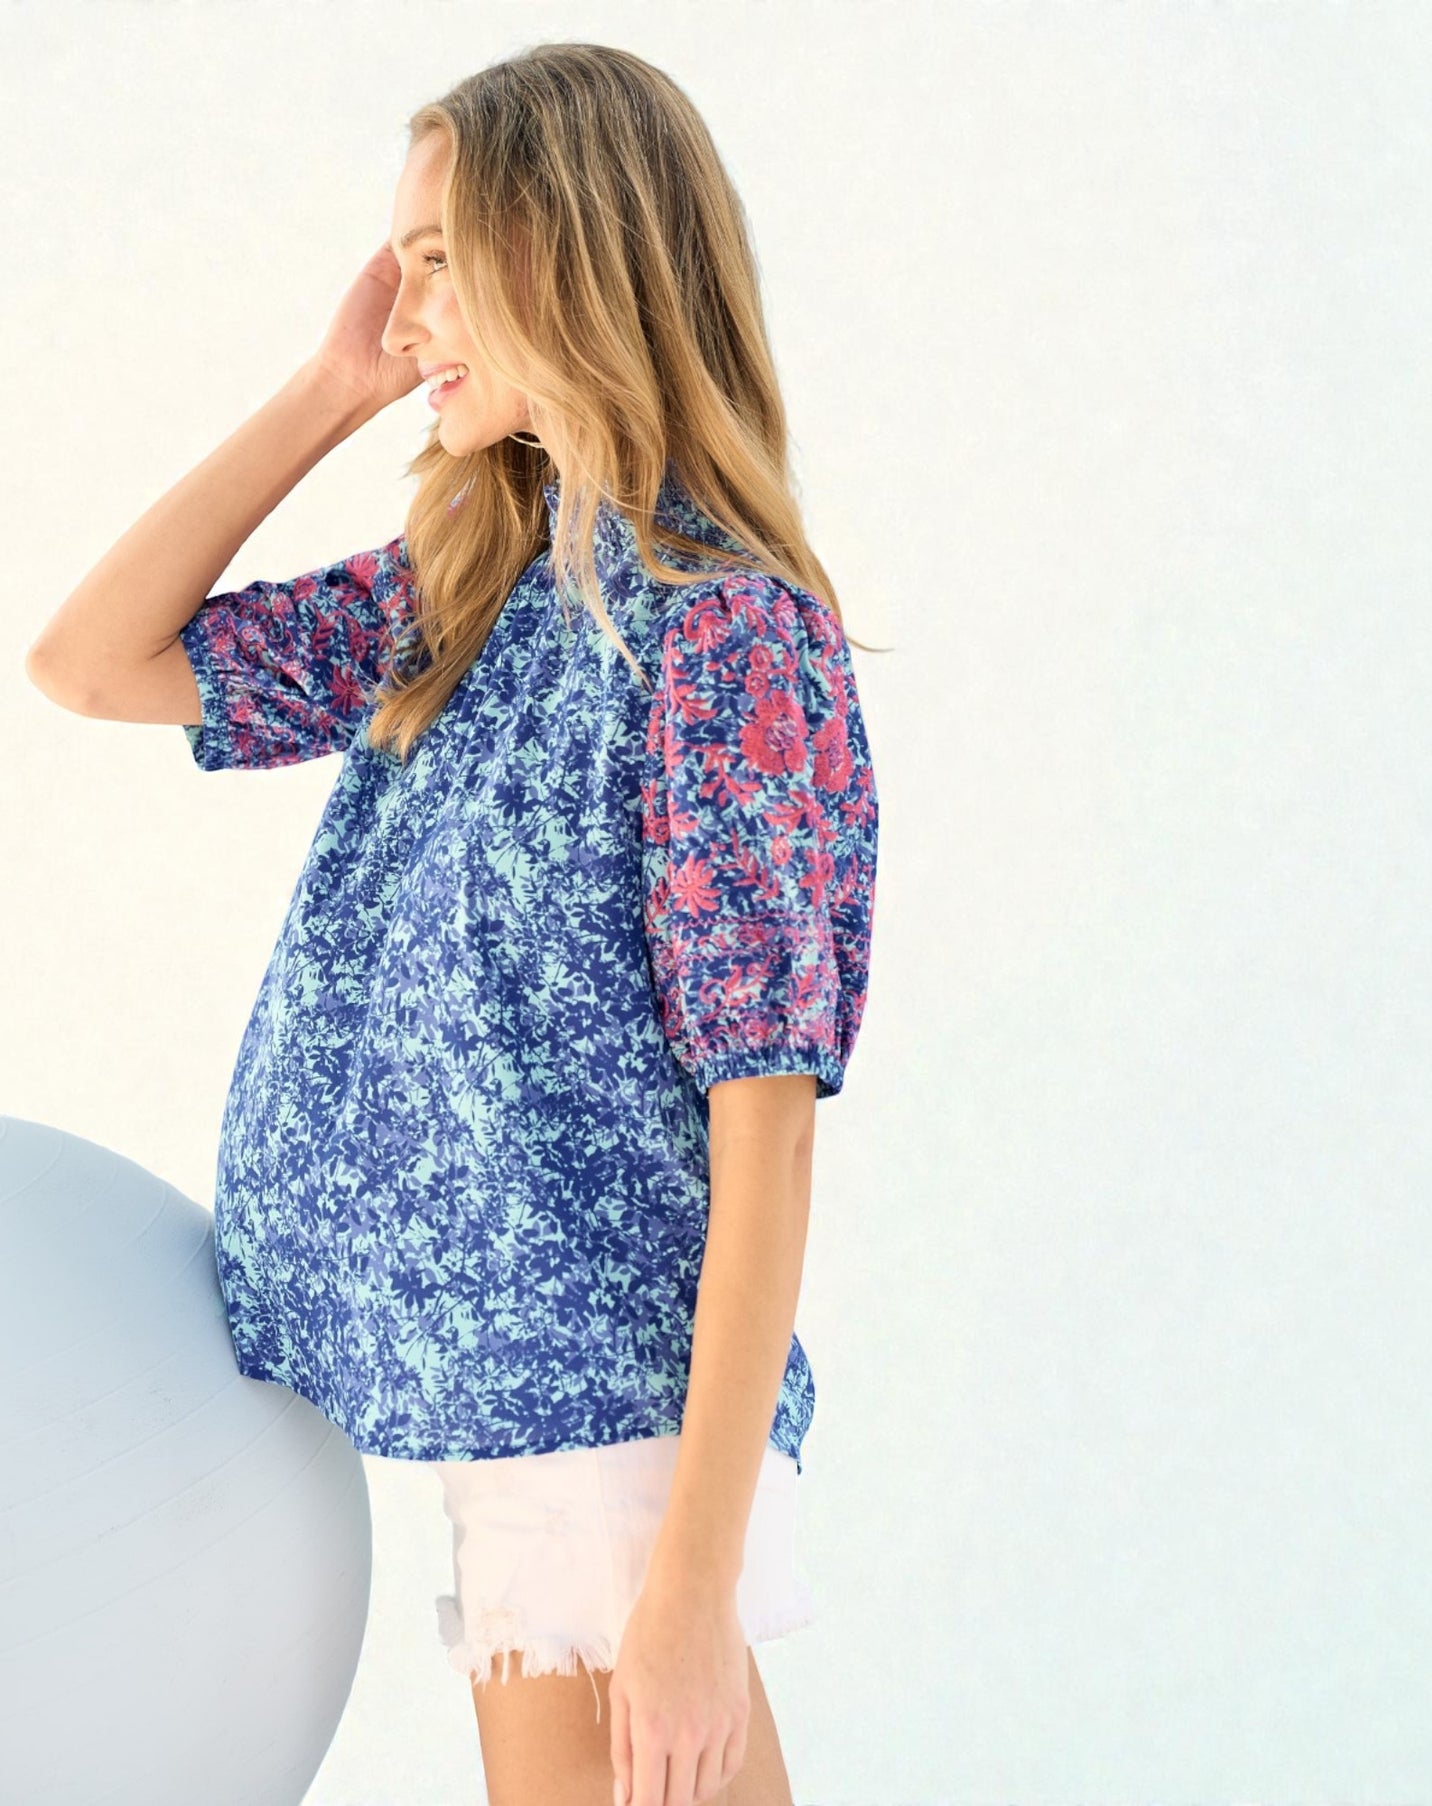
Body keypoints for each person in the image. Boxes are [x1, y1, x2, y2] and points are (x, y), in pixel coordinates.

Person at [26, 41, 880, 1806]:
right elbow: (89, 661)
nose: (406, 308)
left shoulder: (721, 640)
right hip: (518, 1441)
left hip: (621, 1462)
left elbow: (766, 1139)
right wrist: (328, 391)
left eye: (435, 259)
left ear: (563, 255)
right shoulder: (467, 593)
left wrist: (690, 1593)